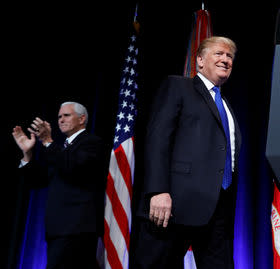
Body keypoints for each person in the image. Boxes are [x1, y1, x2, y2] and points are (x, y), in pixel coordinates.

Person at [130, 36, 242, 268]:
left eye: (229, 56)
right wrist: (158, 191)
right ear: (200, 60)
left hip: (218, 211)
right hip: (174, 206)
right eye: (218, 54)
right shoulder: (178, 87)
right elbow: (157, 140)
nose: (225, 59)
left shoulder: (228, 105)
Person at [12, 101, 107, 269]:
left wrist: (47, 141)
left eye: (66, 115)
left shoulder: (92, 143)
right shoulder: (62, 149)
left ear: (82, 118)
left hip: (78, 229)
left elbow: (73, 166)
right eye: (59, 117)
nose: (61, 120)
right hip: (58, 230)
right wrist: (27, 154)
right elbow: (39, 181)